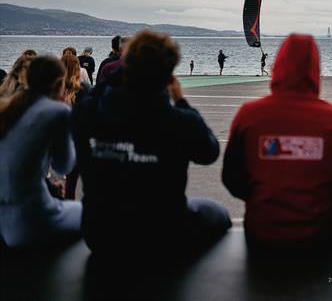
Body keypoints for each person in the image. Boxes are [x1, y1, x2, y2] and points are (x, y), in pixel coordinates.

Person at [73, 31, 231, 255]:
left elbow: (93, 97)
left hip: (99, 234)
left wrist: (117, 75)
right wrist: (182, 102)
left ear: (126, 64)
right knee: (217, 212)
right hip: (163, 234)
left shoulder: (87, 112)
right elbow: (209, 152)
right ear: (168, 76)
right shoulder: (179, 120)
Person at [222, 34, 332, 252]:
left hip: (262, 232)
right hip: (319, 234)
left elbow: (231, 177)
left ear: (277, 67)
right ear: (316, 71)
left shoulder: (249, 115)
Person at [0, 56, 82, 248]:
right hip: (30, 217)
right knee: (94, 216)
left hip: (4, 217)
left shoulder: (9, 108)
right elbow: (64, 165)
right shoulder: (57, 111)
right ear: (59, 83)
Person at [60, 53, 91, 200]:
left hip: (61, 137)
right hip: (80, 138)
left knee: (70, 181)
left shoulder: (54, 88)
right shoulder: (84, 89)